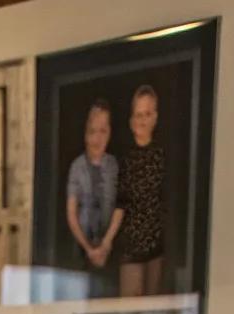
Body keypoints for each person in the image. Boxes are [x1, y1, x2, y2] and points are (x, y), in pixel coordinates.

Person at [110, 84, 166, 297]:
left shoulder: (162, 153)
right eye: (138, 114)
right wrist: (107, 242)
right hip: (130, 245)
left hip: (156, 245)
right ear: (131, 119)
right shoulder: (124, 156)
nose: (142, 120)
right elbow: (120, 202)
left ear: (155, 117)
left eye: (148, 114)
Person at [65, 100, 119, 291]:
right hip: (82, 251)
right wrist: (89, 248)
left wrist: (105, 244)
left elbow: (120, 207)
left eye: (103, 132)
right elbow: (71, 213)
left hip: (110, 249)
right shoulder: (77, 167)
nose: (97, 138)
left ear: (109, 133)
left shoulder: (113, 166)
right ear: (86, 134)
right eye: (93, 131)